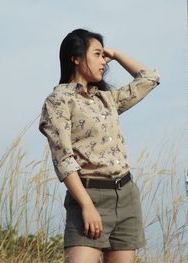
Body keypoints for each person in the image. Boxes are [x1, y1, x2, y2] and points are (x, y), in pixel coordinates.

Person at [39, 28, 160, 263]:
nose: (103, 62)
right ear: (76, 58)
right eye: (97, 54)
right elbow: (63, 160)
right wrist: (86, 205)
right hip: (88, 195)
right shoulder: (59, 101)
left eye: (104, 56)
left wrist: (115, 53)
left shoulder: (106, 99)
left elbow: (149, 78)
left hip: (126, 196)